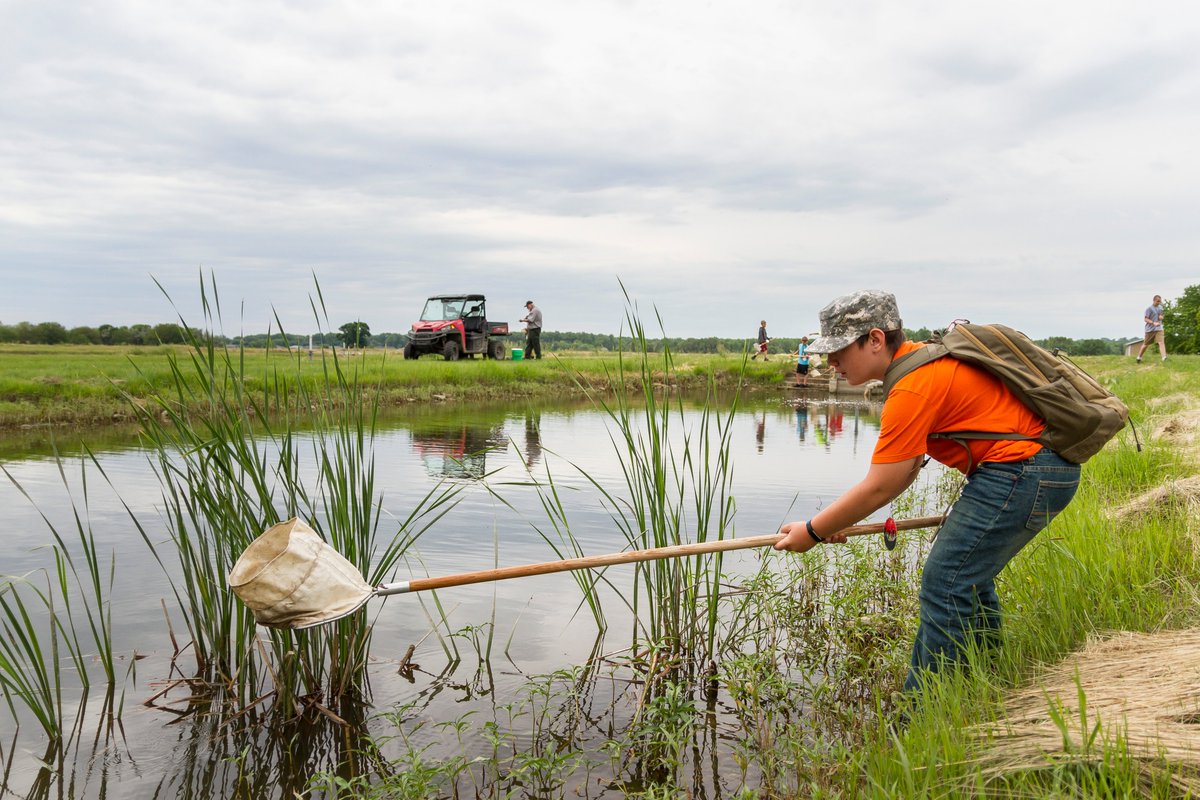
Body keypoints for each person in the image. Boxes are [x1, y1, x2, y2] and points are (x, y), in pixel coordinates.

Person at [773, 290, 1080, 692]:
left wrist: (812, 532)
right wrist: (833, 521)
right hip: (1037, 470)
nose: (830, 362)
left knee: (946, 580)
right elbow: (902, 472)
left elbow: (882, 484)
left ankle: (923, 709)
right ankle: (983, 678)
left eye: (839, 349)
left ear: (876, 340)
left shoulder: (913, 386)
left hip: (1024, 471)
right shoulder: (922, 366)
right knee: (969, 575)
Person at [1135, 294, 1167, 363]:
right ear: (1154, 300)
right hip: (1150, 329)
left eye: (1160, 301)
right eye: (1158, 301)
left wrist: (1161, 317)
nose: (1159, 302)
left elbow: (1161, 315)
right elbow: (1145, 319)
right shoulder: (1149, 309)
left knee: (1161, 342)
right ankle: (1139, 357)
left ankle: (1164, 358)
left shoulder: (1160, 308)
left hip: (1159, 328)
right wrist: (1153, 323)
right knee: (1145, 345)